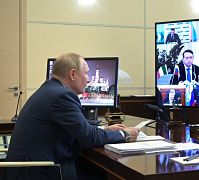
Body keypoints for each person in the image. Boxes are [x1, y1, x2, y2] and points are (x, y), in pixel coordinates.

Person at [4, 53, 139, 180]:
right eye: (86, 73)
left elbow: (79, 128)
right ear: (73, 74)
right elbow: (88, 138)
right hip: (40, 172)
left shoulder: (50, 89)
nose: (88, 79)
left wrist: (104, 129)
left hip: (26, 168)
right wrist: (124, 134)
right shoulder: (62, 96)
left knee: (95, 170)